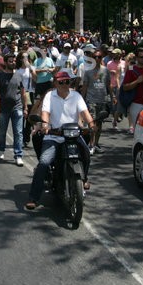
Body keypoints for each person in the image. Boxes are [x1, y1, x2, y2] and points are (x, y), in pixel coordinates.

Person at [25, 71, 94, 210]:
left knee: (86, 154)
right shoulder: (50, 96)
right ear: (55, 83)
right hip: (54, 136)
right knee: (44, 162)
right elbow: (45, 112)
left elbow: (85, 112)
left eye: (67, 81)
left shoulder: (76, 95)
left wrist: (91, 124)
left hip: (73, 136)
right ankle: (34, 197)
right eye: (61, 82)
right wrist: (45, 125)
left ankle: (83, 177)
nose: (64, 84)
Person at [0, 54, 27, 166]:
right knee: (2, 131)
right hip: (3, 109)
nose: (13, 62)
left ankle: (18, 155)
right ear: (5, 62)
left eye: (14, 61)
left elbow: (23, 93)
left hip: (17, 107)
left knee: (18, 132)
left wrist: (25, 107)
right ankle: (1, 150)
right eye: (10, 61)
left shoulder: (19, 75)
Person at [80, 47, 111, 155]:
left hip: (102, 100)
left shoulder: (105, 70)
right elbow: (84, 86)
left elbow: (108, 85)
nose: (97, 59)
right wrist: (81, 100)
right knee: (92, 123)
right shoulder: (88, 72)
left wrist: (112, 97)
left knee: (99, 123)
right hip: (91, 99)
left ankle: (96, 144)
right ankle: (91, 144)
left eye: (99, 57)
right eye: (95, 57)